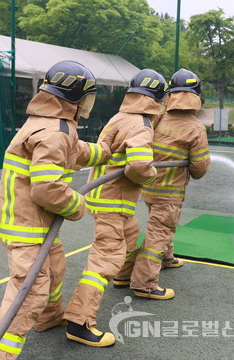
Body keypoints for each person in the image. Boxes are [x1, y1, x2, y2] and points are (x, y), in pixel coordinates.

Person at [0, 60, 115, 359]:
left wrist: (105, 151)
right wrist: (78, 205)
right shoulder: (55, 131)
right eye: (86, 98)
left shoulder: (50, 123)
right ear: (75, 99)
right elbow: (47, 189)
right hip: (27, 227)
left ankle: (50, 317)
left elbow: (75, 150)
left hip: (31, 222)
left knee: (54, 267)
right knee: (29, 293)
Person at [64, 68, 168, 348]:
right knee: (104, 260)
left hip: (101, 196)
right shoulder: (142, 125)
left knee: (130, 235)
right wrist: (152, 174)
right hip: (114, 202)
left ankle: (123, 277)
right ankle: (79, 321)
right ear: (158, 99)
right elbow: (138, 166)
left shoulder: (121, 116)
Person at [127, 69, 211, 298]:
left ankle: (167, 257)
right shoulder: (195, 128)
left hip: (149, 186)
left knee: (162, 225)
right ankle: (145, 284)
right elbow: (200, 169)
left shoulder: (158, 117)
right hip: (170, 192)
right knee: (159, 231)